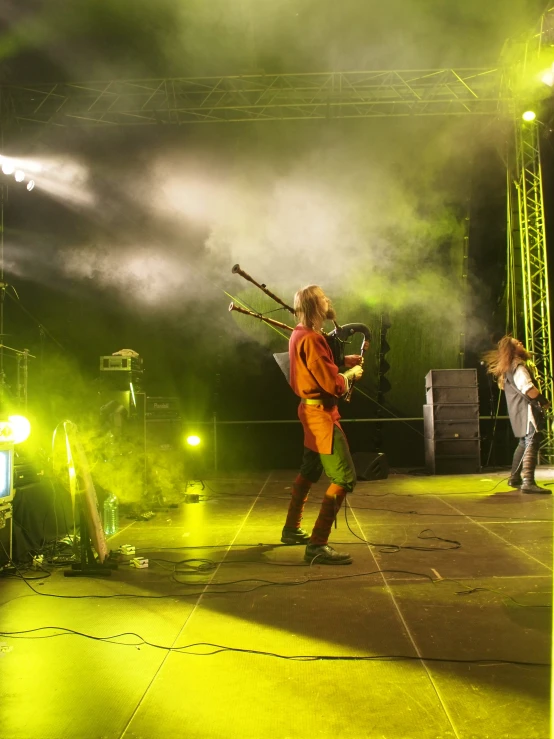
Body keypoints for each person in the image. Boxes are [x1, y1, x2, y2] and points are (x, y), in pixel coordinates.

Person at [281, 285, 366, 564]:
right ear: (316, 307)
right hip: (322, 418)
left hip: (309, 412)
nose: (328, 300)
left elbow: (313, 366)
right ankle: (317, 544)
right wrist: (351, 373)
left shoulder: (300, 334)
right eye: (323, 298)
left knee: (309, 470)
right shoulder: (313, 339)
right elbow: (333, 384)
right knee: (343, 478)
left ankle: (292, 529)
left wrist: (341, 360)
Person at [483, 335, 551, 494]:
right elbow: (528, 389)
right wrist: (544, 400)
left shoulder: (509, 368)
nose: (522, 343)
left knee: (523, 442)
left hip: (518, 411)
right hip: (527, 409)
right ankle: (528, 481)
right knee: (531, 441)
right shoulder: (518, 366)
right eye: (518, 343)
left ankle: (514, 478)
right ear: (512, 350)